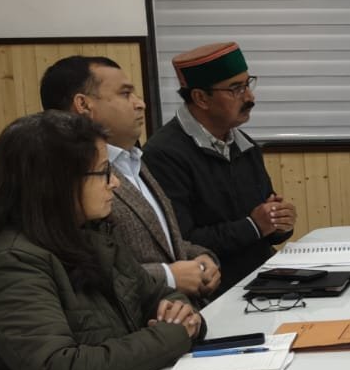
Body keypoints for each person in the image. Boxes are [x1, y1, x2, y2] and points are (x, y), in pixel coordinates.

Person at [0, 111, 204, 370]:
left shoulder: (93, 233)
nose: (115, 184)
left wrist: (181, 313)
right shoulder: (12, 263)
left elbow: (153, 293)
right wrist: (173, 336)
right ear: (56, 183)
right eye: (104, 172)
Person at [39, 55, 221, 303]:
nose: (140, 104)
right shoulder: (67, 177)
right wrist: (167, 276)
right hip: (137, 317)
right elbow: (79, 268)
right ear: (83, 105)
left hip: (182, 312)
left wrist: (201, 258)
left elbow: (164, 243)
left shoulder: (134, 159)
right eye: (125, 94)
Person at [144, 42, 295, 290]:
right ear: (201, 98)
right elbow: (181, 241)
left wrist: (280, 222)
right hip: (213, 292)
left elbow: (265, 225)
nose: (250, 97)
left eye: (248, 84)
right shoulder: (164, 154)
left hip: (263, 280)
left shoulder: (245, 145)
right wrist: (253, 226)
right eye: (236, 89)